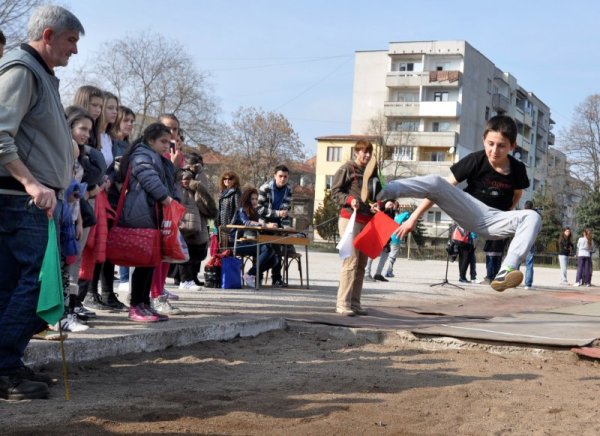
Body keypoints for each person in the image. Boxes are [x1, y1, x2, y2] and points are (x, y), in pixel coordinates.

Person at [0, 5, 84, 401]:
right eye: (71, 41)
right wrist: (33, 183)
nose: (75, 51)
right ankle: (3, 366)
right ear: (48, 35)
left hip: (31, 200)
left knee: (13, 286)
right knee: (38, 285)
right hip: (22, 200)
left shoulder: (41, 75)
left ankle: (7, 364)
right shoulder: (22, 69)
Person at [378, 115, 541, 292]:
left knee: (533, 216)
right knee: (436, 182)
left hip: (497, 219)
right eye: (490, 144)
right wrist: (413, 218)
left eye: (501, 146)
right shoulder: (475, 160)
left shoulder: (518, 169)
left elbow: (518, 193)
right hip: (470, 210)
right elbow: (439, 190)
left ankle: (506, 271)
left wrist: (508, 212)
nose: (495, 151)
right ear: (483, 140)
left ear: (512, 146)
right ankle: (383, 190)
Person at [117, 123, 179, 322]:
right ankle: (136, 305)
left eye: (168, 142)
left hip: (153, 213)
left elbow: (169, 182)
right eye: (162, 141)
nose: (165, 146)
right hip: (142, 213)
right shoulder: (142, 156)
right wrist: (167, 199)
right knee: (143, 262)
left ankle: (144, 304)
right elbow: (148, 178)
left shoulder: (157, 158)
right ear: (150, 140)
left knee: (150, 262)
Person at [331, 139, 381, 316]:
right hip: (349, 219)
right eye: (363, 151)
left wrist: (378, 205)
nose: (366, 155)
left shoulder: (373, 171)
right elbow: (334, 192)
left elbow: (377, 195)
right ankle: (342, 304)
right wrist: (350, 200)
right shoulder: (347, 168)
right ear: (356, 152)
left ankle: (355, 303)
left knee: (361, 264)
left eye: (369, 152)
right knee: (350, 261)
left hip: (368, 221)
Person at [175, 168, 217, 290]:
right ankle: (184, 280)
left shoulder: (196, 187)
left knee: (194, 254)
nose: (186, 181)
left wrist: (199, 189)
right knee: (183, 254)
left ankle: (190, 278)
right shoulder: (178, 190)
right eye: (184, 179)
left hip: (197, 226)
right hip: (183, 226)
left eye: (188, 179)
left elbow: (206, 208)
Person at [230, 188, 279, 287]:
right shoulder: (241, 210)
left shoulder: (254, 211)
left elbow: (257, 226)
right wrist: (265, 225)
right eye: (252, 199)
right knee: (267, 248)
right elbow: (247, 223)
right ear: (247, 199)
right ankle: (250, 274)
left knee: (274, 258)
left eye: (256, 199)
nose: (255, 201)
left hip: (248, 242)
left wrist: (269, 225)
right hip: (235, 243)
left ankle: (250, 274)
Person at [111, 105, 136, 295]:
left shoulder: (129, 145)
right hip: (107, 195)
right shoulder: (108, 141)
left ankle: (110, 291)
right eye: (126, 120)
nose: (129, 124)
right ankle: (94, 292)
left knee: (118, 242)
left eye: (132, 122)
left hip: (123, 198)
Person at [257, 164, 293, 287]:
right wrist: (275, 214)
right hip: (263, 224)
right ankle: (257, 276)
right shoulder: (265, 188)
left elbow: (286, 209)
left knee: (278, 251)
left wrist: (286, 226)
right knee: (264, 250)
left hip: (278, 225)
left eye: (285, 177)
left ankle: (276, 278)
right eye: (280, 176)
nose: (283, 179)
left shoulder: (288, 189)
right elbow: (259, 209)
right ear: (274, 176)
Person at [365, 200, 395, 282]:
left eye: (392, 205)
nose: (391, 206)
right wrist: (378, 205)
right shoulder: (381, 209)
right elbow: (379, 203)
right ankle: (366, 273)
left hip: (385, 237)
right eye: (390, 204)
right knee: (371, 254)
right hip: (376, 235)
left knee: (385, 254)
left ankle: (378, 274)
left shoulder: (391, 213)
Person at [383, 203, 410, 278]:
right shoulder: (401, 215)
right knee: (392, 256)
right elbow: (409, 214)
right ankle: (388, 272)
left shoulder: (391, 215)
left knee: (386, 256)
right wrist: (406, 209)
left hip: (388, 237)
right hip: (396, 237)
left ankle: (383, 271)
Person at [522, 200, 536, 289]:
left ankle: (513, 281)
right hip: (530, 240)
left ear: (524, 206)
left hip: (520, 240)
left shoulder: (521, 214)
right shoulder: (535, 216)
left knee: (516, 261)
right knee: (529, 263)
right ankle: (528, 284)